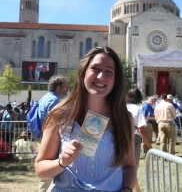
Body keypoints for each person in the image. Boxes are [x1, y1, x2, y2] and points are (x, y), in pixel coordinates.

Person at [34, 47, 136, 192]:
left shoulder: (125, 119)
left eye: (109, 71)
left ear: (116, 80)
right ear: (83, 73)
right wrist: (62, 162)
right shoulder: (59, 115)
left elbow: (129, 166)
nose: (101, 76)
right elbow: (40, 170)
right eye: (95, 68)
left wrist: (127, 189)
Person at [37, 74, 69, 192]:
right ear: (58, 88)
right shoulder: (54, 100)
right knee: (49, 172)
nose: (67, 89)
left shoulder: (45, 98)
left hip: (44, 137)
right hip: (50, 140)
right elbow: (57, 123)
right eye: (65, 86)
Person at [126, 88, 152, 192]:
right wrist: (150, 146)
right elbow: (141, 130)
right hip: (133, 138)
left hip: (119, 137)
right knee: (132, 167)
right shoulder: (138, 108)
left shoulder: (121, 107)